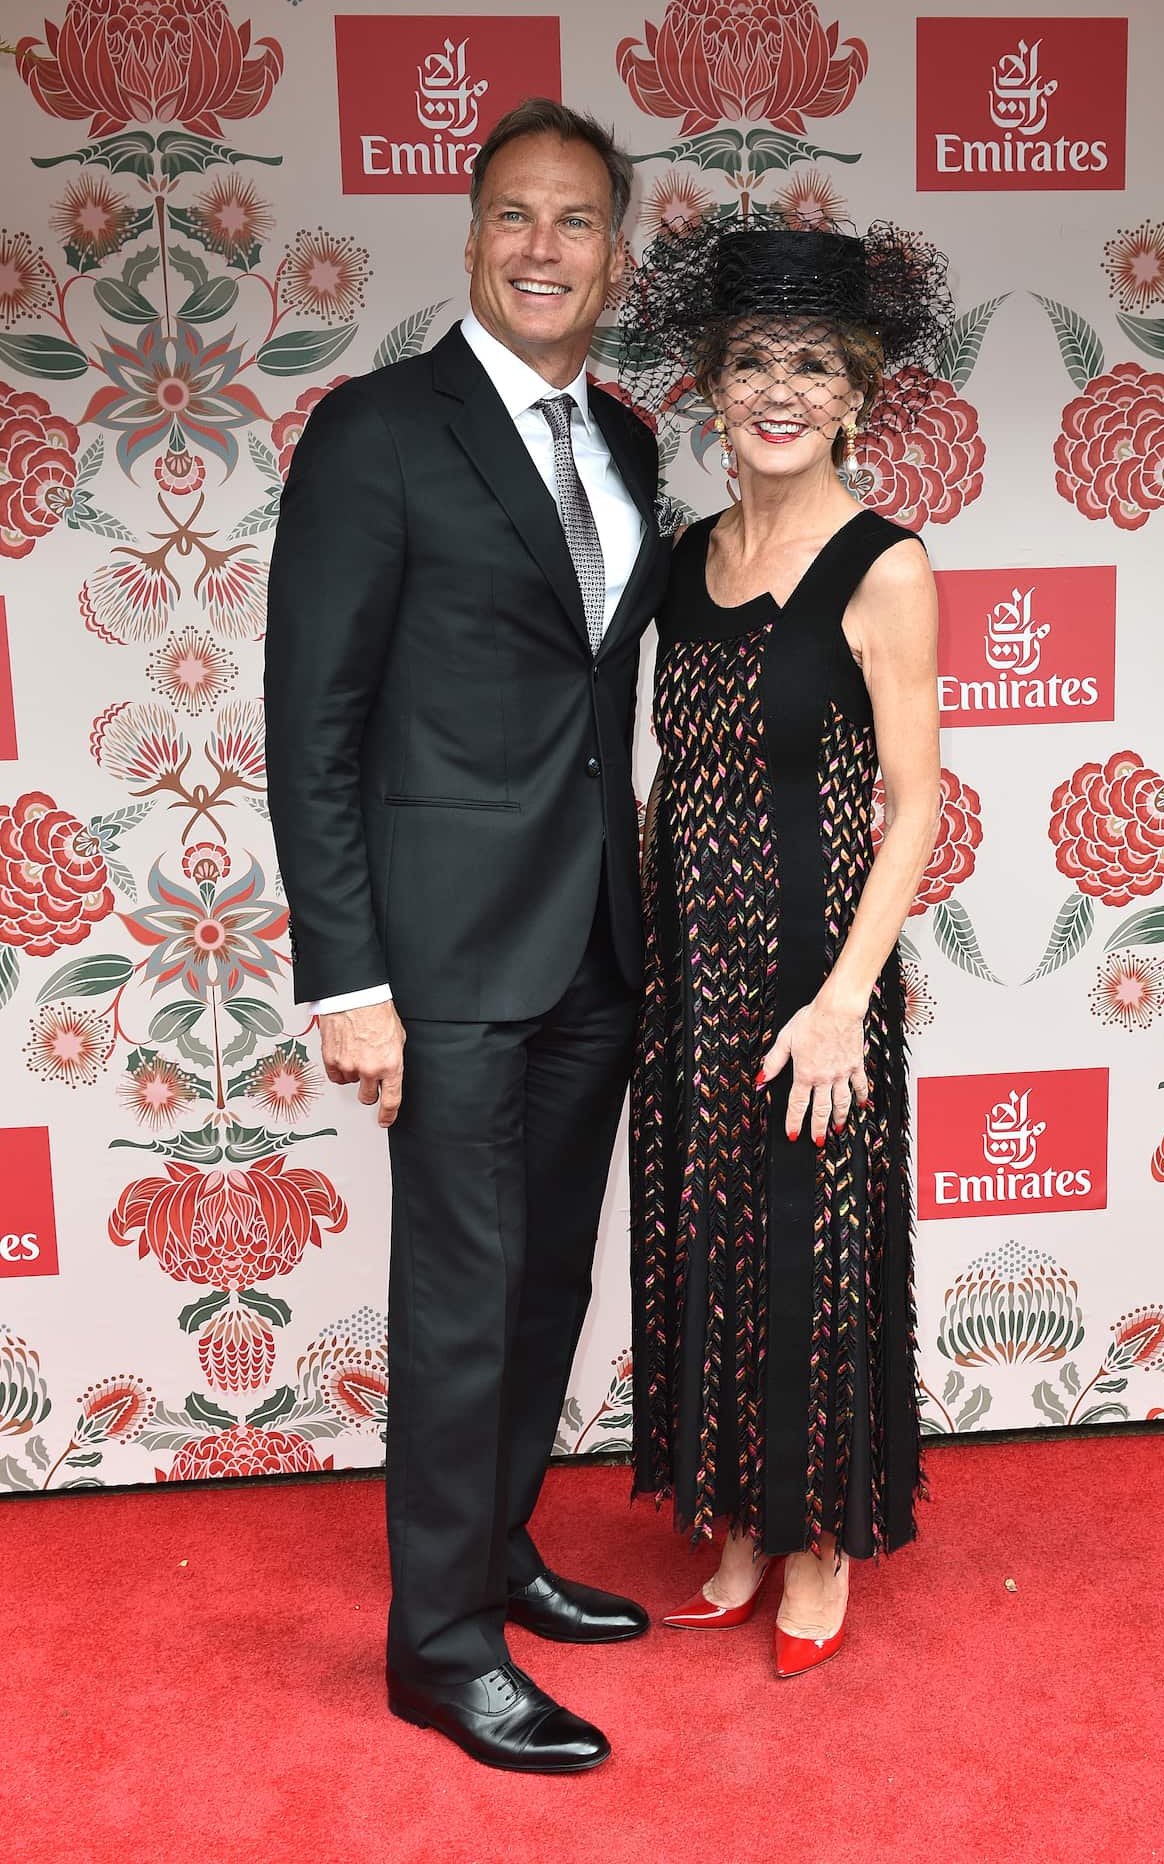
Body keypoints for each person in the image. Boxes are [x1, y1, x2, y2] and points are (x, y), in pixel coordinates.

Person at [264, 98, 666, 1772]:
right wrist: (348, 976)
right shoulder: (379, 431)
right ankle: (436, 1647)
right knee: (455, 1297)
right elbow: (315, 723)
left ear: (617, 251)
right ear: (473, 231)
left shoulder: (629, 442)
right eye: (516, 215)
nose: (545, 248)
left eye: (577, 221)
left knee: (544, 1286)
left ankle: (496, 1555)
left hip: (592, 943)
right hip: (435, 962)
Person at [619, 212, 952, 1675]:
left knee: (808, 1253)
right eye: (753, 360)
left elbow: (918, 803)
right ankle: (738, 1523)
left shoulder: (886, 567)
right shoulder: (683, 559)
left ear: (856, 392)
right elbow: (672, 775)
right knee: (710, 1244)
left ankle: (816, 1543)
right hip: (690, 979)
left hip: (821, 975)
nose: (780, 390)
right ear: (711, 380)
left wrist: (843, 1002)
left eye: (812, 366)